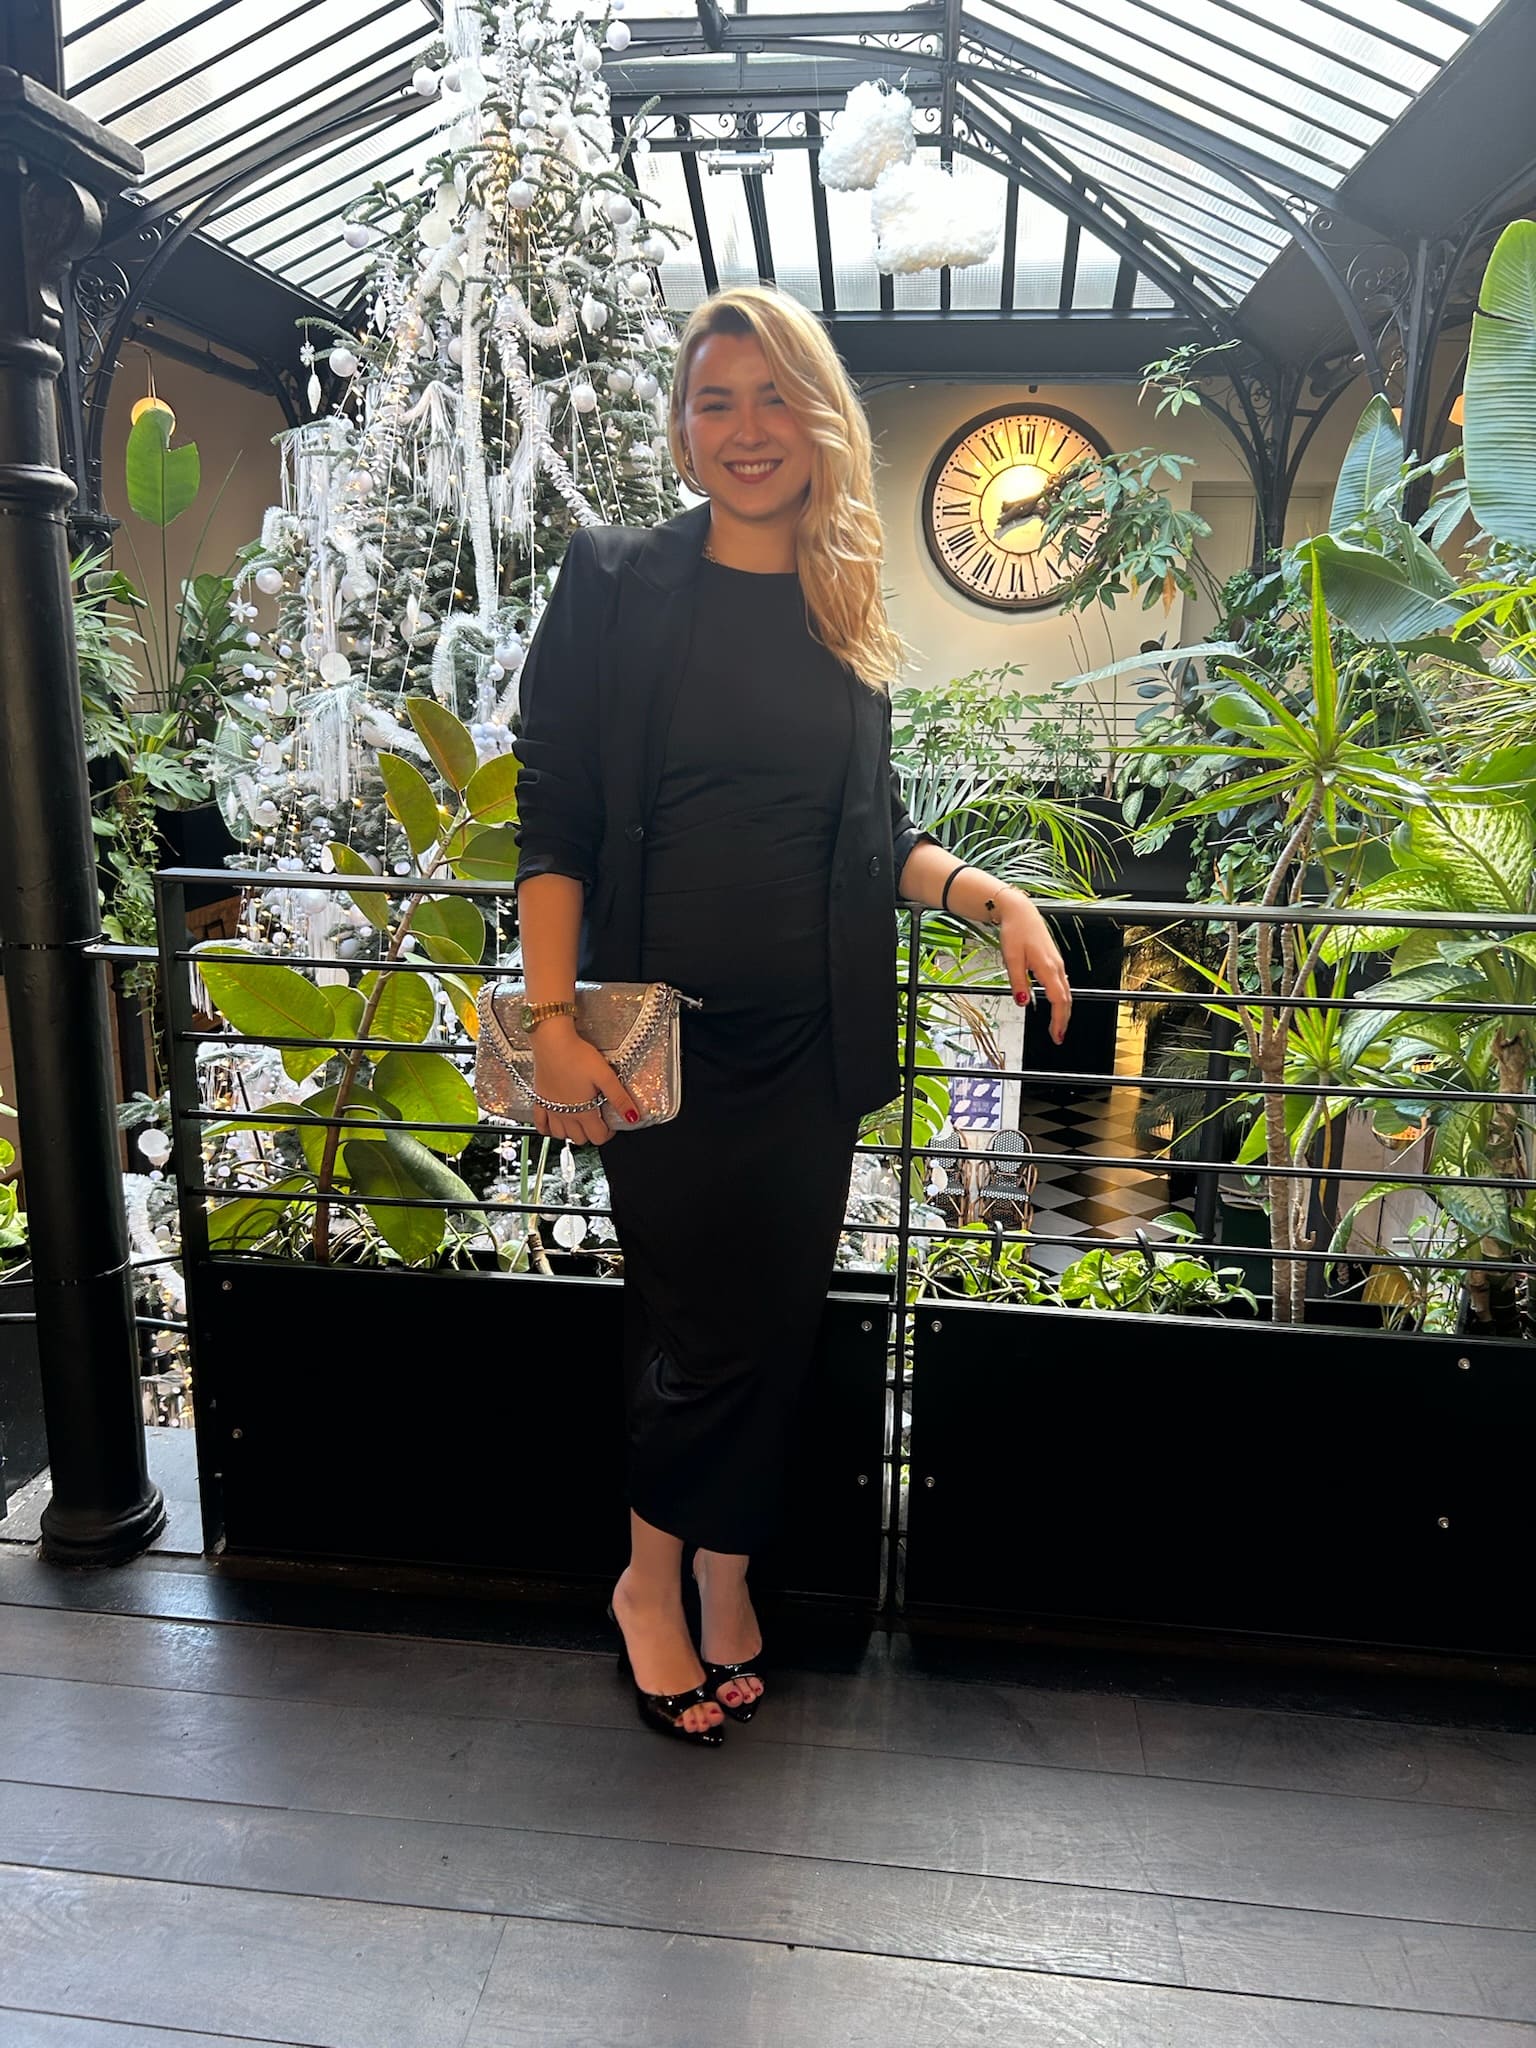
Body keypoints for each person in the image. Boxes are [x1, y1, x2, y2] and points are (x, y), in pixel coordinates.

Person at [513, 283, 1072, 1745]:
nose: (746, 428)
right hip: (661, 1037)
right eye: (717, 401)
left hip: (811, 1044)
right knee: (699, 1326)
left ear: (821, 421)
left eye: (774, 398)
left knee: (772, 1319)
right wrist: (552, 1017)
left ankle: (725, 1572)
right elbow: (554, 817)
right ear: (683, 431)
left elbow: (870, 832)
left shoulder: (844, 602)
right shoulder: (617, 580)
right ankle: (649, 1585)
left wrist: (985, 897)